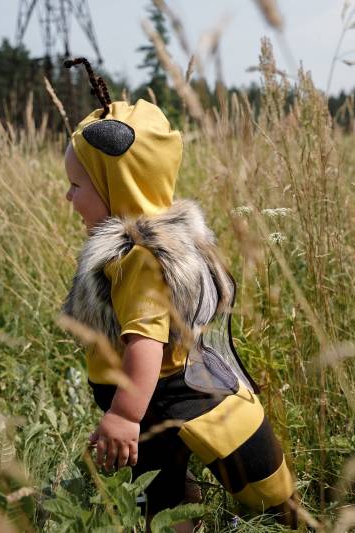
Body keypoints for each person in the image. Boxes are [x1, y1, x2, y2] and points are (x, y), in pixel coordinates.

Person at [60, 58, 301, 530]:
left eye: (75, 185)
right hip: (181, 384)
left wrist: (125, 416)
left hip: (164, 397)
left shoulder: (140, 259)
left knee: (180, 485)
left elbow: (145, 344)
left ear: (119, 186)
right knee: (169, 487)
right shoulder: (159, 244)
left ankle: (281, 518)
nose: (68, 198)